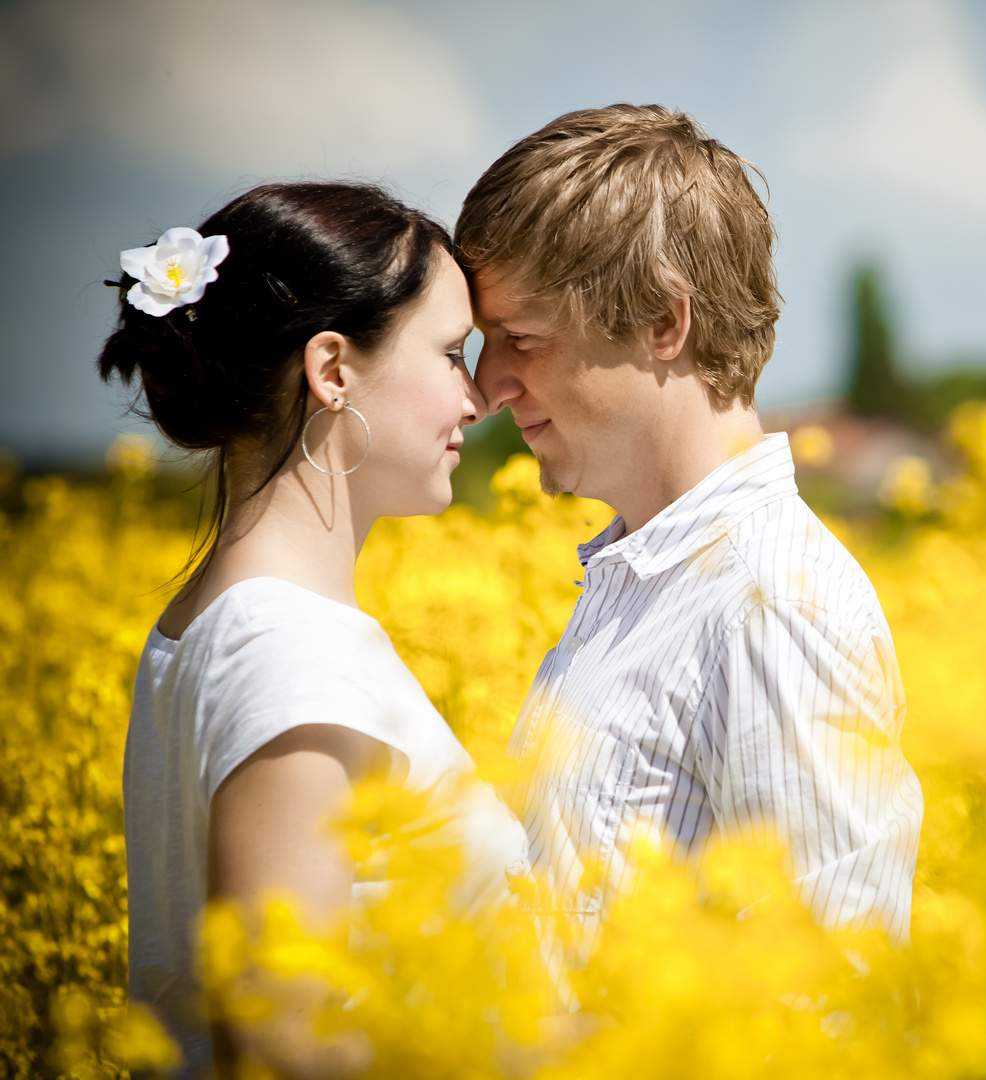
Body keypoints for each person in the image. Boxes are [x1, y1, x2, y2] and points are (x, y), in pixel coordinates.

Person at [455, 105, 925, 1000]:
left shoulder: (771, 600)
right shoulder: (642, 583)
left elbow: (824, 999)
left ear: (665, 324)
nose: (485, 386)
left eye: (521, 338)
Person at [102, 183, 529, 1080]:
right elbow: (281, 1045)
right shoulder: (289, 655)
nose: (479, 397)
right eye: (453, 353)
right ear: (332, 370)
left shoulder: (221, 626)